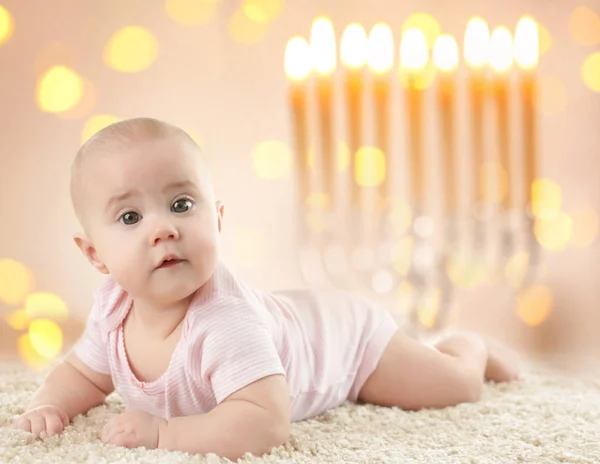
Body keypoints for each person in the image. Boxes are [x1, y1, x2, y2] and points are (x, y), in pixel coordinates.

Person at [11, 118, 519, 461]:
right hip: (295, 317)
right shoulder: (113, 309)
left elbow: (266, 422)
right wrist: (48, 404)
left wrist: (165, 434)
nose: (162, 228)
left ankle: (465, 348)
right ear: (95, 254)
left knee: (454, 389)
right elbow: (84, 373)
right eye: (129, 216)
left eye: (182, 205)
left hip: (348, 344)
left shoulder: (224, 321)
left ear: (219, 218)